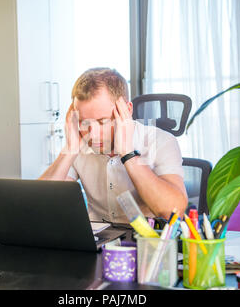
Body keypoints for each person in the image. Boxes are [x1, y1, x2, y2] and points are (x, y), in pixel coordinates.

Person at [39, 68, 188, 223]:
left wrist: (128, 153)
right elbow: (39, 205)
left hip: (145, 242)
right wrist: (70, 149)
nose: (93, 134)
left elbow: (173, 212)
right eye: (84, 122)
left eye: (103, 121)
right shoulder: (80, 144)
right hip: (97, 242)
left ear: (127, 110)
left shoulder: (161, 141)